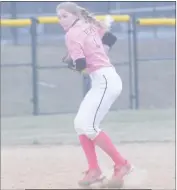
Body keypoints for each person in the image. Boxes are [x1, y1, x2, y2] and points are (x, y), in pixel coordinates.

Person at [56, 2, 132, 187]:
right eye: (58, 17)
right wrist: (101, 53)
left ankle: (122, 164)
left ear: (75, 16)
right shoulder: (88, 25)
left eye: (64, 16)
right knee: (80, 125)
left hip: (105, 80)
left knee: (89, 126)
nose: (61, 21)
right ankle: (94, 170)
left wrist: (70, 63)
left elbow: (81, 65)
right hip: (104, 79)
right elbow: (110, 38)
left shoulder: (72, 34)